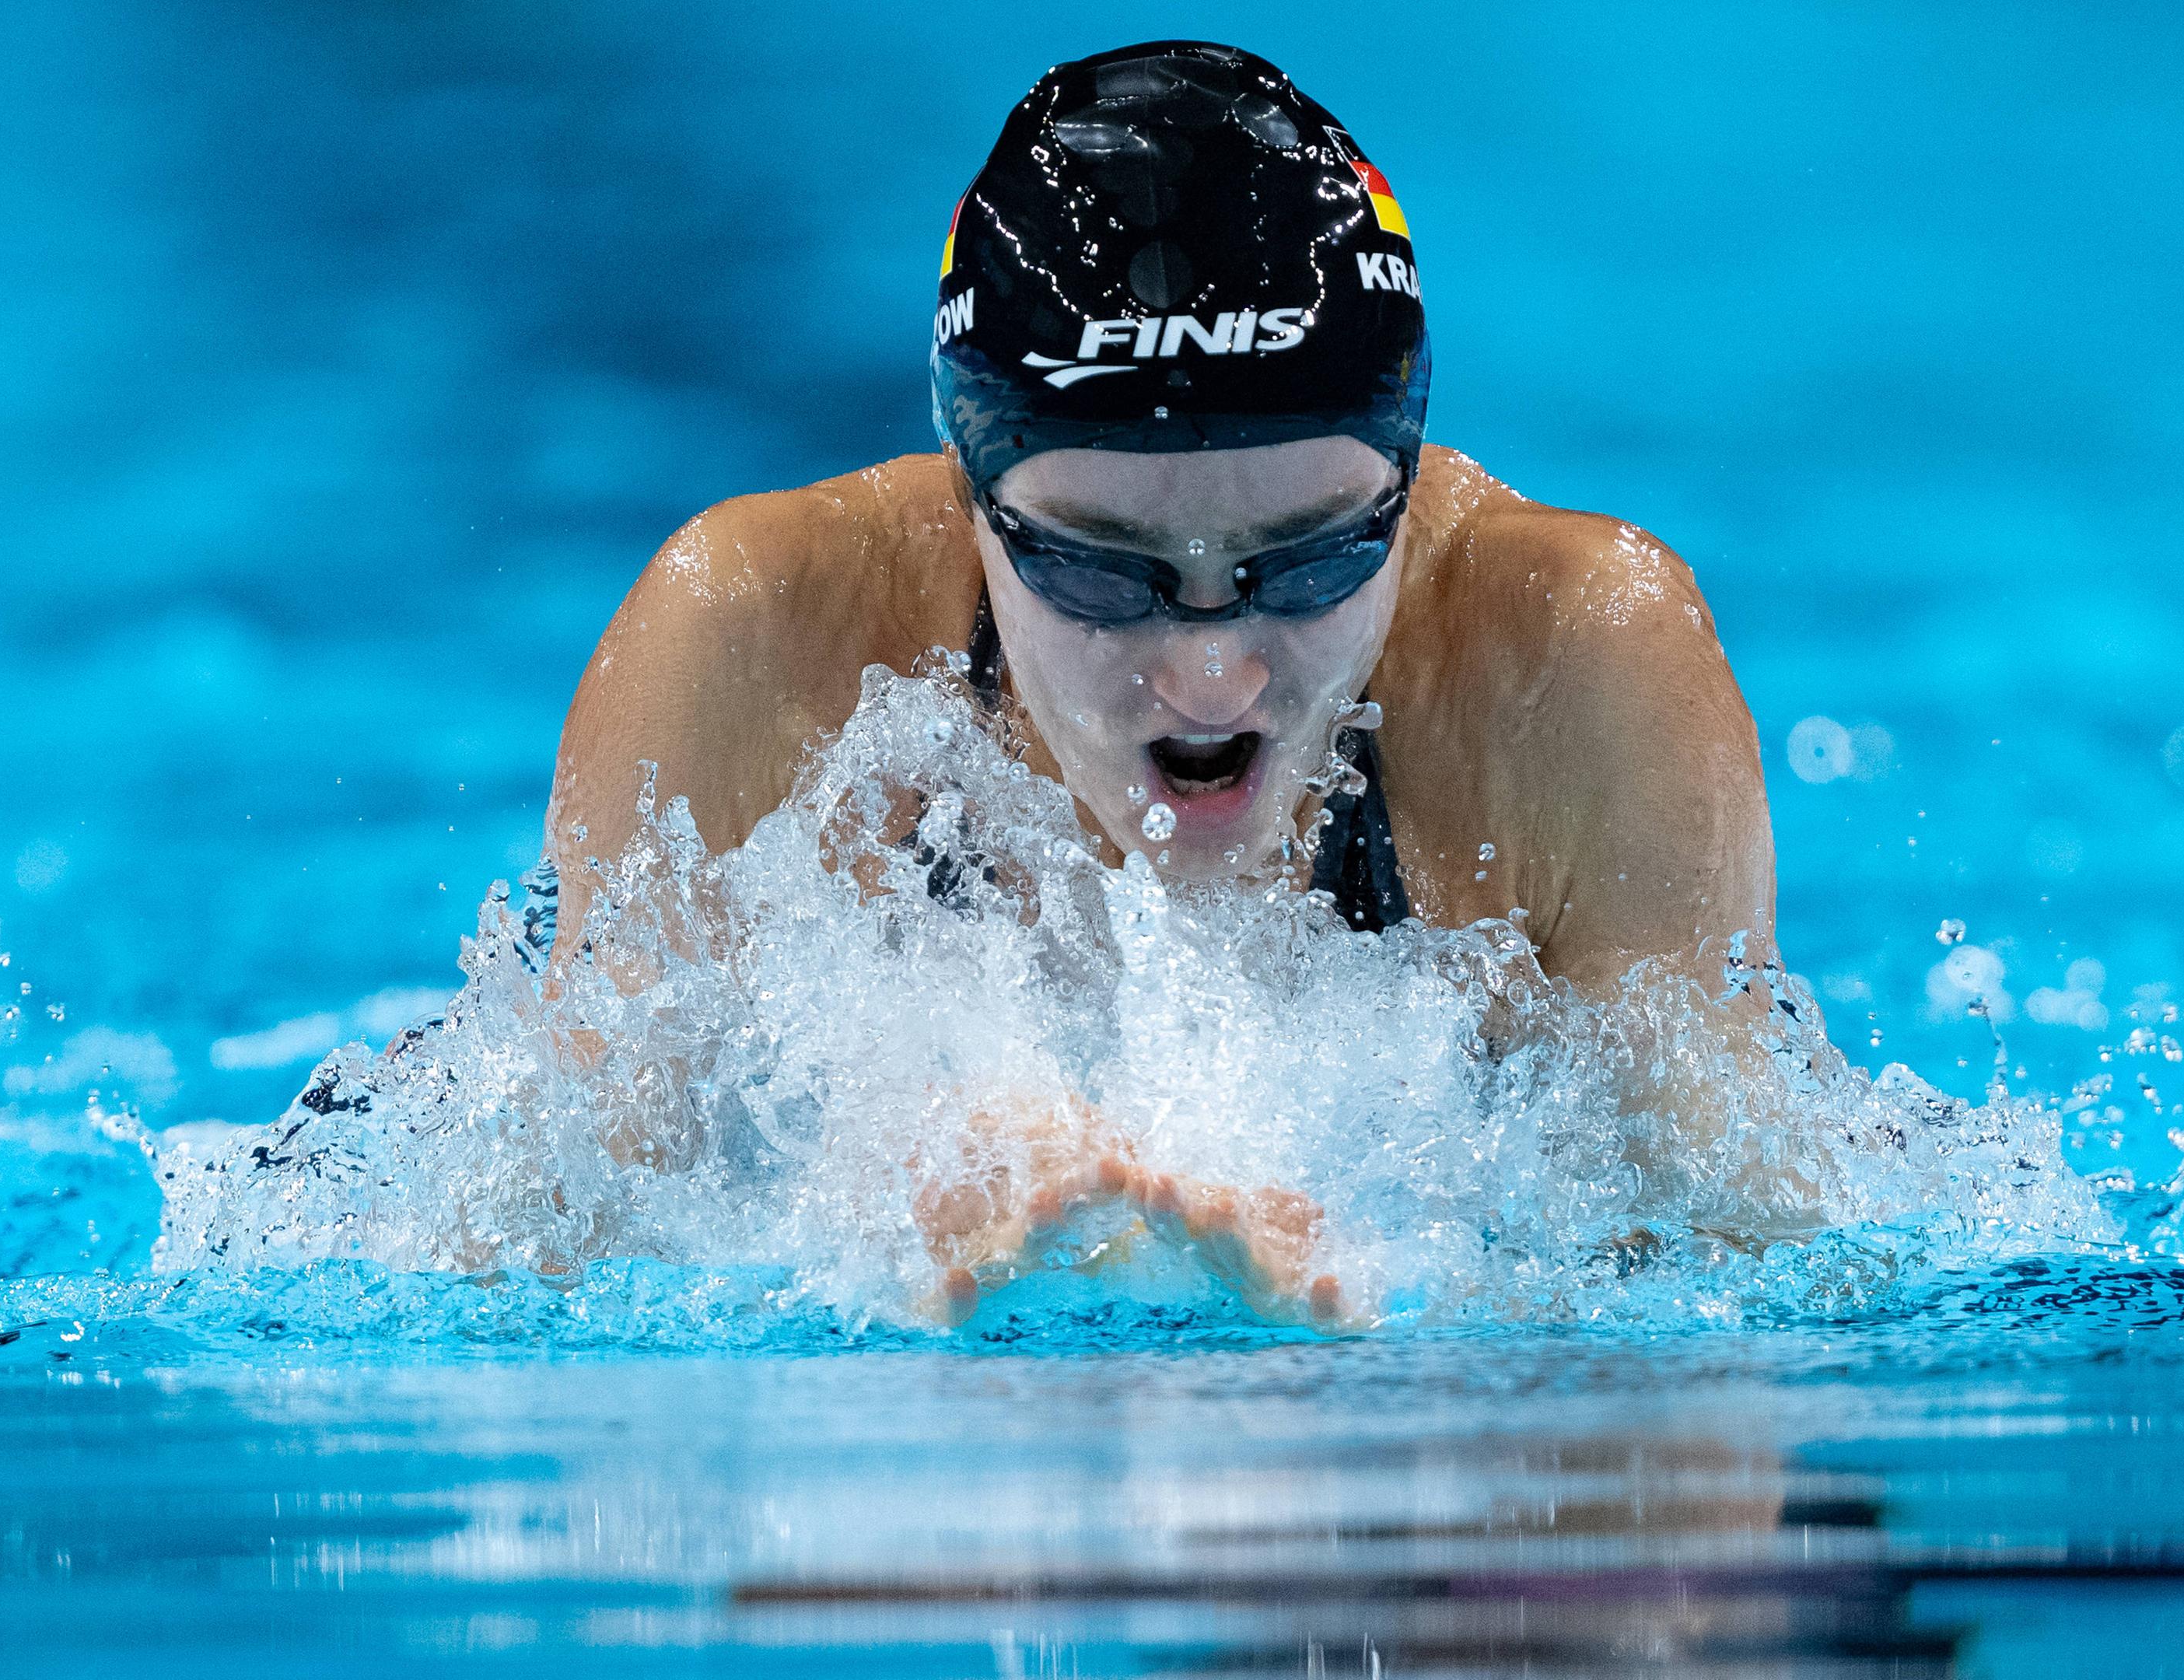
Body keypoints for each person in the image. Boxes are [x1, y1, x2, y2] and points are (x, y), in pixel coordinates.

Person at [544, 42, 1780, 1326]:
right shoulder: (757, 636)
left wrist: (1394, 1326)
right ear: (970, 495)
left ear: (1407, 488)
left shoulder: (1574, 665)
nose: (1213, 676)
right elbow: (528, 1245)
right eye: (1098, 572)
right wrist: (872, 1270)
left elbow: (1753, 1278)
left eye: (1312, 560)